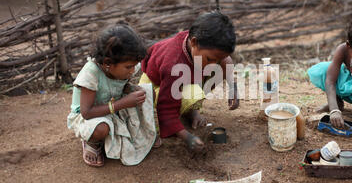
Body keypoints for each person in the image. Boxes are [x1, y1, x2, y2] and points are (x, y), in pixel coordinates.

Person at [139, 11, 239, 152]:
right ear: (193, 42)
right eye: (210, 59)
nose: (213, 64)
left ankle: (190, 111)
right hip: (157, 85)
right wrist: (187, 137)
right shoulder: (172, 65)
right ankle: (187, 109)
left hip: (183, 76)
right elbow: (166, 109)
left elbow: (226, 60)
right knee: (193, 94)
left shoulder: (202, 44)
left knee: (220, 67)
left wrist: (233, 87)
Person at [67, 22, 159, 167]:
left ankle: (144, 132)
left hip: (114, 106)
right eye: (129, 67)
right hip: (92, 116)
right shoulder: (90, 74)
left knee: (148, 93)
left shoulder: (122, 66)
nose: (132, 70)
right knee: (101, 129)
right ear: (107, 63)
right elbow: (86, 112)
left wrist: (130, 89)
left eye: (134, 65)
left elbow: (120, 86)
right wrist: (123, 103)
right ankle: (92, 142)